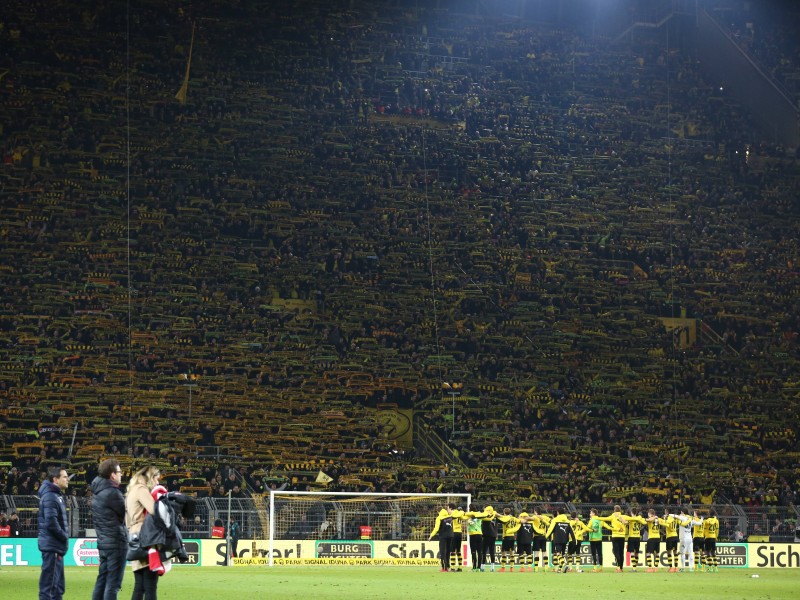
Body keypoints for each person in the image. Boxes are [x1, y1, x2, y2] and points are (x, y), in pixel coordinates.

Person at [91, 459, 127, 600]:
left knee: (102, 581)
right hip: (116, 543)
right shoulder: (113, 493)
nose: (121, 475)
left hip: (103, 542)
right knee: (113, 584)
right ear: (112, 475)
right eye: (119, 472)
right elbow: (125, 515)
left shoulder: (98, 492)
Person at [126, 466, 161, 600]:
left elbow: (127, 519)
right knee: (151, 585)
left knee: (139, 585)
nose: (157, 483)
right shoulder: (141, 489)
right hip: (146, 537)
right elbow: (154, 511)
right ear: (150, 477)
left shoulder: (131, 490)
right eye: (156, 479)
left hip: (134, 535)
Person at [38, 466, 69, 600]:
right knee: (49, 587)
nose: (68, 479)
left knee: (57, 587)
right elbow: (51, 522)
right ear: (55, 480)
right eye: (65, 477)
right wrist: (64, 536)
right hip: (53, 545)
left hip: (55, 545)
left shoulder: (55, 495)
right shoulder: (51, 496)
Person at [545, 508, 575, 573]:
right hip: (565, 539)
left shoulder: (555, 520)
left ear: (558, 513)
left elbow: (550, 529)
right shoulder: (568, 521)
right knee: (562, 554)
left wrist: (546, 536)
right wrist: (574, 540)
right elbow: (572, 531)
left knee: (558, 553)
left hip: (557, 539)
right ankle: (560, 569)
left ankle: (564, 564)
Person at [428, 504, 454, 572]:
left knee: (443, 552)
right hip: (451, 535)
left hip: (443, 536)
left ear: (438, 512)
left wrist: (431, 536)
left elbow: (436, 529)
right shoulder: (450, 517)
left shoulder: (439, 518)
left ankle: (444, 568)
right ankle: (448, 566)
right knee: (448, 551)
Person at [588, 508, 611, 572]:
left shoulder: (591, 521)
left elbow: (587, 528)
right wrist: (615, 529)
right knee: (600, 553)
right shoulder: (600, 520)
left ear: (593, 514)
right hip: (599, 539)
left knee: (594, 554)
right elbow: (608, 527)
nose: (590, 514)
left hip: (593, 539)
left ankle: (595, 568)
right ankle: (601, 568)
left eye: (591, 513)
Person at [625, 507, 647, 572]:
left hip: (631, 537)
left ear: (631, 513)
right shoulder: (639, 519)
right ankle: (635, 566)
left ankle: (634, 568)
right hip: (637, 537)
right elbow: (645, 523)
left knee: (632, 552)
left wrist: (620, 518)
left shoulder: (630, 519)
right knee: (636, 552)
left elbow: (625, 522)